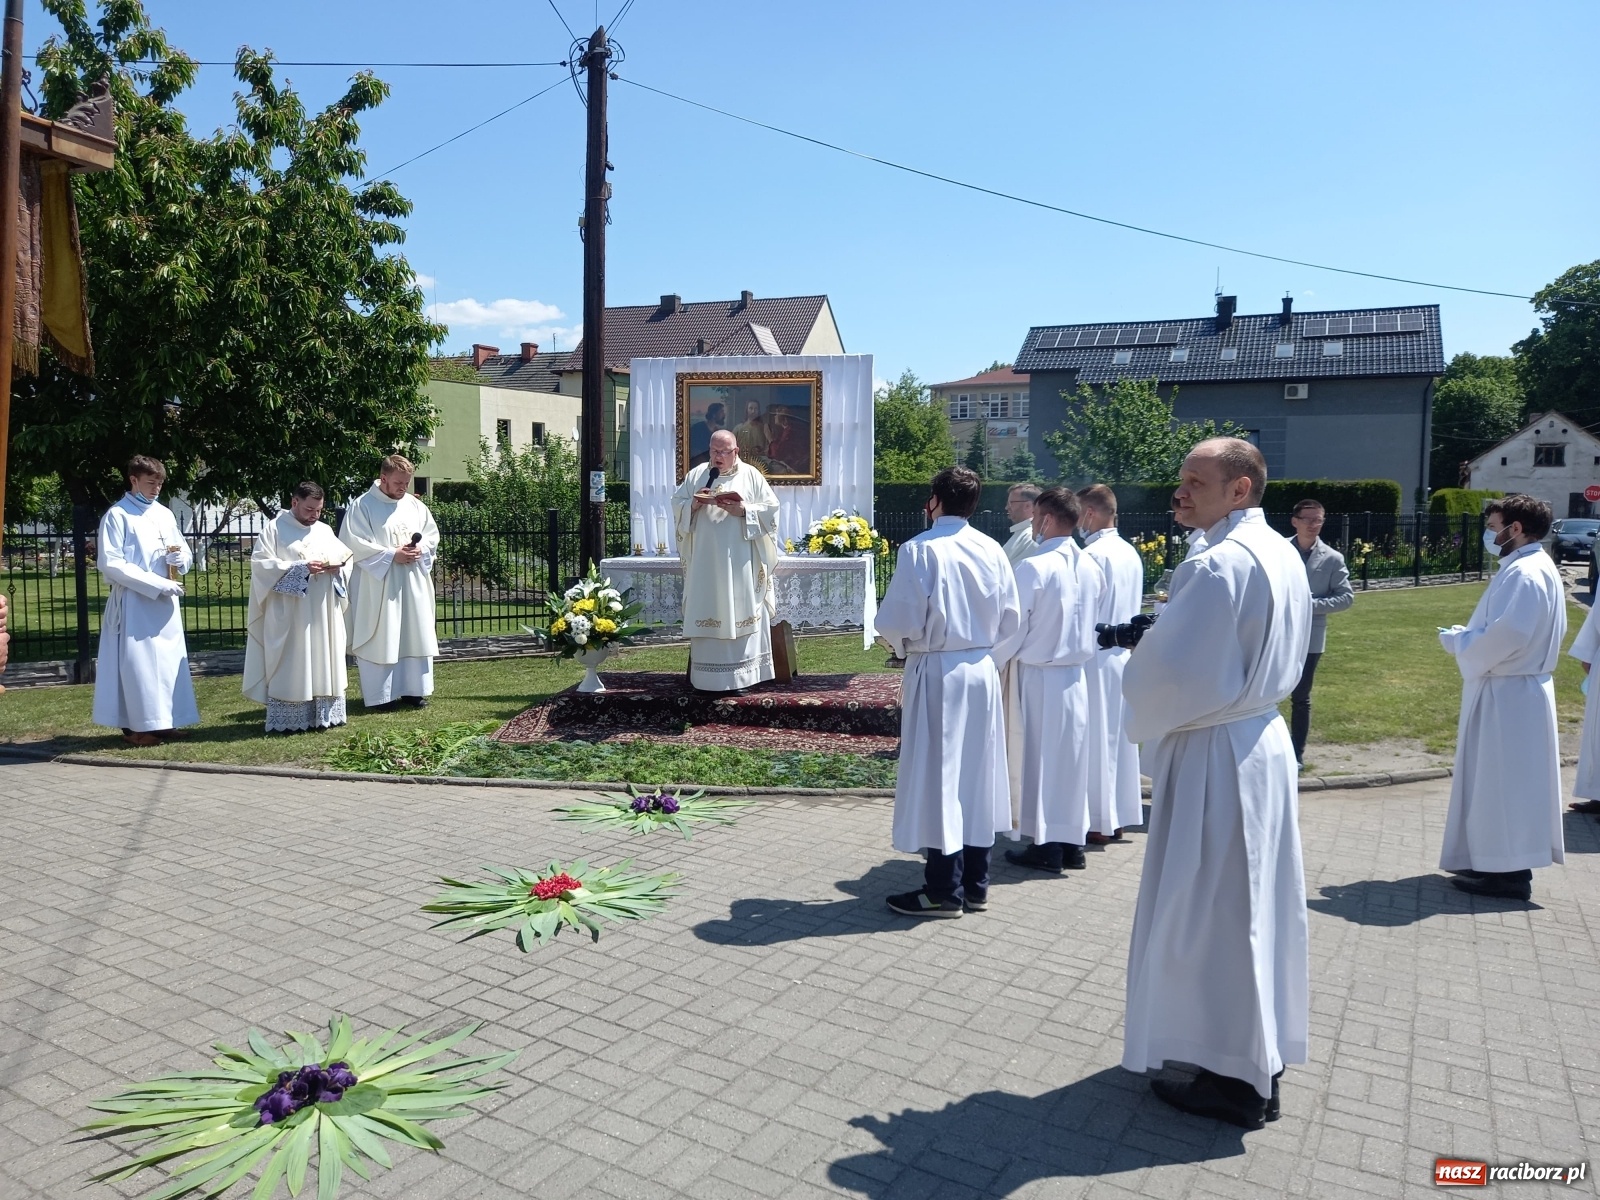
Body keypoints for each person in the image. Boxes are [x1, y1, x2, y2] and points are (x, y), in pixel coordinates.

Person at [1120, 437, 1312, 1129]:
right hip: (1254, 740)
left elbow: (1171, 676)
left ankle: (1235, 1079)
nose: (1180, 492)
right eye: (1180, 480)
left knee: (1215, 915)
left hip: (1215, 752)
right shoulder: (1280, 551)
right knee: (1248, 907)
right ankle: (1256, 1056)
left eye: (1195, 481)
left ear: (1240, 489)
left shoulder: (1221, 565)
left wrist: (1135, 671)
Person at [876, 466, 1020, 918]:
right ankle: (975, 884)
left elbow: (900, 619)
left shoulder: (920, 550)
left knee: (941, 778)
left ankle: (943, 891)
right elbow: (1011, 617)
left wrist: (896, 644)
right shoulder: (992, 548)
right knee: (977, 775)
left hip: (939, 668)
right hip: (980, 667)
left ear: (934, 499)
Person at [1438, 494, 1565, 900]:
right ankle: (1493, 862)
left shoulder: (1526, 573)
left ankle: (1509, 874)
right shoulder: (1530, 567)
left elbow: (1510, 635)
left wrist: (1460, 644)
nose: (1489, 536)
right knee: (1499, 783)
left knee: (1503, 784)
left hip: (1509, 693)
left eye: (1493, 528)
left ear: (1515, 529)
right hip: (1513, 689)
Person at [994, 487, 1104, 873]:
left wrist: (991, 662)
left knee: (1039, 762)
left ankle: (1047, 846)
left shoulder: (1035, 566)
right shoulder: (1091, 566)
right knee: (1070, 763)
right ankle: (1071, 842)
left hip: (1038, 676)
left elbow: (1012, 627)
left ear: (1044, 519)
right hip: (1075, 676)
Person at [92, 455, 199, 746]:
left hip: (165, 605)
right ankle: (134, 728)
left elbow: (184, 551)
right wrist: (158, 584)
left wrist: (181, 559)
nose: (155, 489)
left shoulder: (164, 513)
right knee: (137, 665)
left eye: (160, 484)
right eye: (150, 483)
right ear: (134, 480)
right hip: (136, 603)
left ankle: (163, 722)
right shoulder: (118, 515)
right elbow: (112, 564)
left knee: (165, 664)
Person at [670, 429, 781, 692]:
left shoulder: (751, 476)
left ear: (736, 452)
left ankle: (740, 678)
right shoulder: (697, 475)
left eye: (724, 452)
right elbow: (678, 504)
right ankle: (706, 679)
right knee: (709, 608)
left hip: (740, 561)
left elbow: (771, 510)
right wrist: (693, 506)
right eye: (714, 451)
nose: (718, 457)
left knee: (738, 610)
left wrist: (743, 511)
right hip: (705, 564)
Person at [243, 482, 354, 732]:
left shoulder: (324, 530)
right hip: (292, 613)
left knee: (323, 656)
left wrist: (338, 568)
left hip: (323, 610)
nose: (314, 515)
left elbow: (347, 560)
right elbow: (261, 567)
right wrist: (300, 569)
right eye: (309, 510)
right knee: (295, 658)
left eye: (318, 510)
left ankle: (324, 714)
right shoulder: (273, 530)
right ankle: (293, 717)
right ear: (294, 502)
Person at [339, 454, 440, 711]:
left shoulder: (415, 506)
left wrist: (421, 550)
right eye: (398, 483)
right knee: (382, 635)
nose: (403, 488)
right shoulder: (362, 506)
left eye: (407, 483)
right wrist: (392, 554)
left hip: (412, 583)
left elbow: (431, 536)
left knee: (413, 633)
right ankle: (380, 696)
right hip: (379, 586)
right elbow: (353, 544)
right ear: (383, 478)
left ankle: (413, 691)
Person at [1076, 483, 1147, 843]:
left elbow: (1083, 612)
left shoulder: (1092, 556)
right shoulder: (1129, 552)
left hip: (1096, 655)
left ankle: (1098, 821)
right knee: (1117, 741)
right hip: (1122, 656)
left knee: (1096, 742)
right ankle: (1115, 815)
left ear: (1089, 513)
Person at [1286, 499, 1353, 768]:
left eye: (1319, 520)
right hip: (1277, 634)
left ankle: (1296, 754)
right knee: (1266, 694)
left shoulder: (1333, 558)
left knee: (1301, 697)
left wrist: (1309, 605)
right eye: (1308, 519)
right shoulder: (1278, 550)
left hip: (1311, 638)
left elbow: (1346, 598)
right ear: (1295, 521)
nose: (1314, 525)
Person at [1000, 484, 1041, 566]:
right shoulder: (1023, 533)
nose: (1006, 507)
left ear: (1028, 506)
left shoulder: (1031, 536)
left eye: (1011, 503)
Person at [688, 401, 727, 466]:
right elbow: (693, 449)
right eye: (721, 412)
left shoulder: (717, 432)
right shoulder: (698, 428)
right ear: (714, 415)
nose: (724, 415)